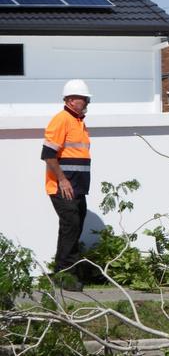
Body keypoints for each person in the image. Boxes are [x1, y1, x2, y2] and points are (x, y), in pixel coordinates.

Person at [40, 79, 93, 291]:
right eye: (83, 98)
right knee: (70, 227)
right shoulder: (61, 120)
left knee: (74, 227)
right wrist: (62, 180)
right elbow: (48, 155)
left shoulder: (79, 122)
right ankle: (66, 277)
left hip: (77, 188)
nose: (86, 101)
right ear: (71, 100)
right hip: (63, 187)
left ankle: (64, 272)